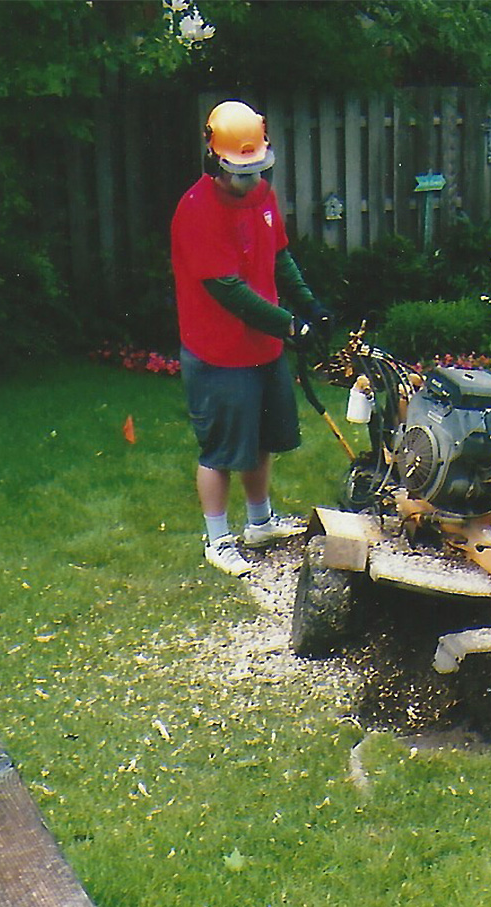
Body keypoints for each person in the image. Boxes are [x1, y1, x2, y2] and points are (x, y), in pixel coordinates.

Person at [171, 100, 332, 576]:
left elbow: (279, 255)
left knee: (261, 438)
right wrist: (288, 324)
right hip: (219, 352)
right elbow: (230, 291)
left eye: (258, 169)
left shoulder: (262, 195)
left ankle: (259, 522)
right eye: (241, 172)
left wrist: (308, 305)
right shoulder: (196, 210)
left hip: (263, 347)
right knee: (222, 450)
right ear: (214, 161)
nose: (251, 181)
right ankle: (218, 539)